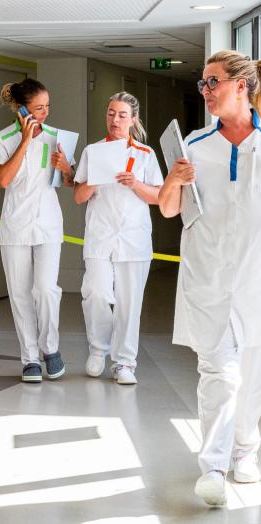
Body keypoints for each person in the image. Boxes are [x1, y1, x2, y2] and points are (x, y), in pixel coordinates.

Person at [159, 50, 261, 507]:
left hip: (255, 277)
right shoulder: (195, 144)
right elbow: (168, 209)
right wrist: (175, 180)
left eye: (212, 81)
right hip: (207, 278)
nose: (205, 90)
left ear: (241, 85)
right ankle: (213, 468)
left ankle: (246, 452)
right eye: (202, 83)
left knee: (252, 373)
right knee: (218, 373)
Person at [73, 92, 162, 385]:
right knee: (96, 292)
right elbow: (78, 196)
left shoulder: (145, 154)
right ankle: (98, 349)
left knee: (129, 302)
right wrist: (95, 180)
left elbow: (159, 196)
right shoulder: (93, 151)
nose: (115, 120)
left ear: (133, 119)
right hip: (100, 235)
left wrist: (135, 184)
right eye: (111, 113)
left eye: (122, 115)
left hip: (134, 238)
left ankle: (124, 362)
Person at [0, 78, 73, 383]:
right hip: (16, 226)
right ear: (21, 109)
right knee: (20, 293)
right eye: (38, 108)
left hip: (48, 224)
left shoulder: (56, 137)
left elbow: (70, 183)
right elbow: (3, 180)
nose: (45, 113)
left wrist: (66, 168)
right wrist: (25, 142)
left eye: (47, 106)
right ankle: (30, 358)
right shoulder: (4, 138)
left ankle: (50, 348)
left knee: (46, 289)